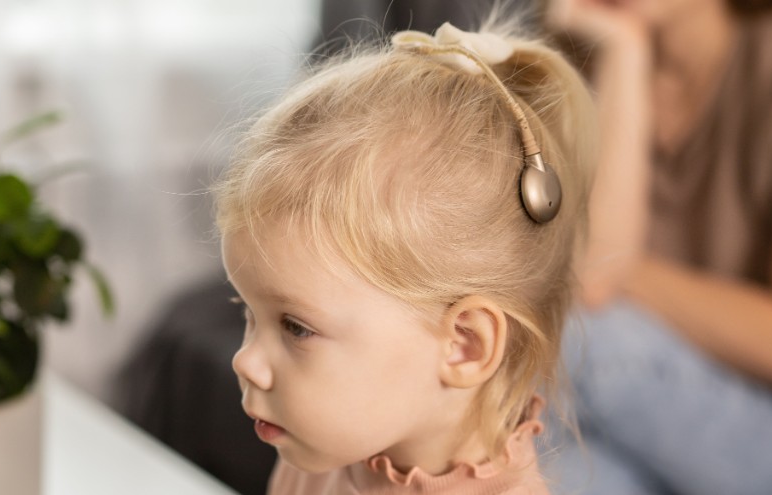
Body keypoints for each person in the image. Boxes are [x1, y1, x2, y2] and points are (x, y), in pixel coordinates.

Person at [543, 0, 772, 493]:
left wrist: (619, 274)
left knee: (564, 342)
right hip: (652, 392)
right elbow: (593, 275)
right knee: (547, 474)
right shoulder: (573, 66)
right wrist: (626, 55)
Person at [212, 15, 596, 494]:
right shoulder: (317, 458)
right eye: (248, 311)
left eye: (296, 326)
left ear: (464, 345)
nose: (244, 361)